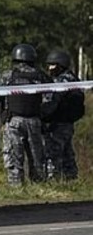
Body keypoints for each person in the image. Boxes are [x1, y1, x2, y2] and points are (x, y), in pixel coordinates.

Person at [1, 43, 49, 185]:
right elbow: (50, 98)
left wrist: (2, 116)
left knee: (14, 158)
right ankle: (39, 187)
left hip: (13, 121)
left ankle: (16, 188)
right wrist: (43, 115)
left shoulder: (8, 76)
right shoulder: (41, 76)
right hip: (34, 121)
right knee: (37, 159)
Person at [41, 49, 84, 181]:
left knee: (53, 154)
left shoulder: (61, 82)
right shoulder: (74, 79)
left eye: (52, 66)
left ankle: (53, 180)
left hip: (56, 124)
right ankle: (71, 179)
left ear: (60, 65)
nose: (50, 69)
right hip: (68, 124)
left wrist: (43, 116)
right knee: (67, 152)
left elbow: (52, 103)